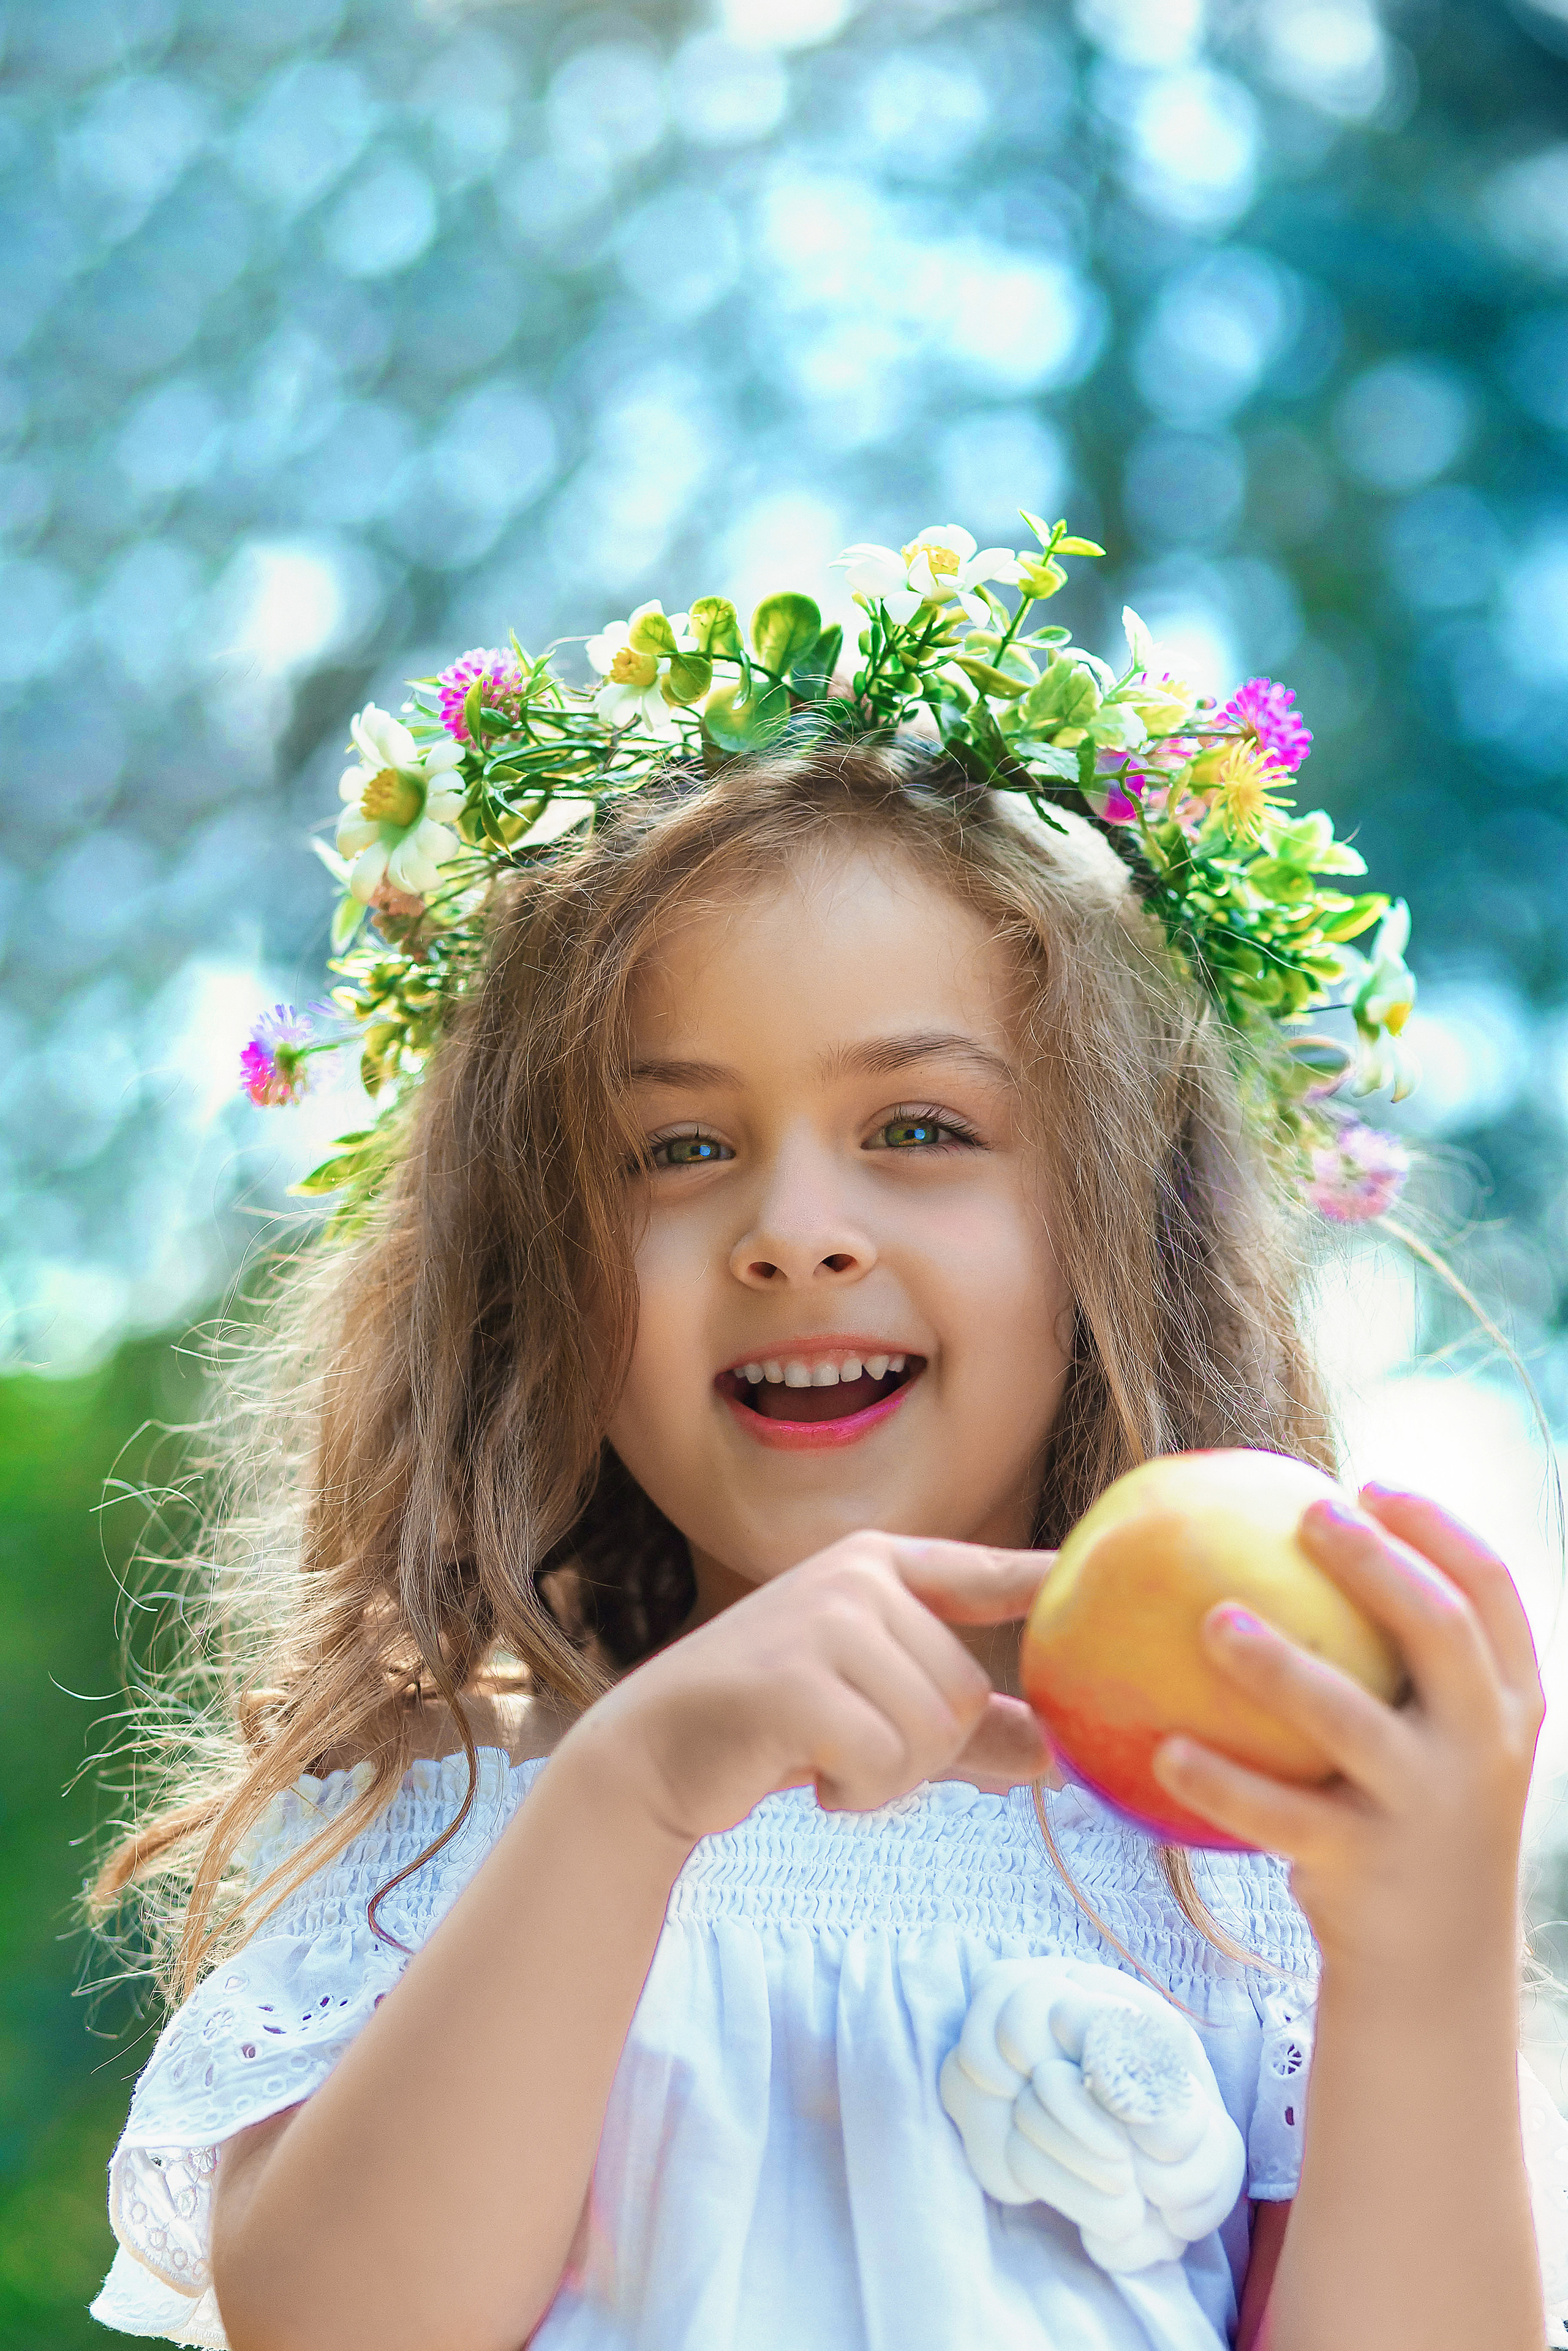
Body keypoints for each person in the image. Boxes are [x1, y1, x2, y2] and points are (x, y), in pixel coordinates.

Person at [89, 564, 1556, 2350]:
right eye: (680, 1147)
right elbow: (336, 2326)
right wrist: (628, 1797)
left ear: (1124, 1226)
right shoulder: (450, 1818)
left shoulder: (1234, 1867)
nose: (793, 1231)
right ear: (533, 1265)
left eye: (920, 1127)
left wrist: (1424, 1962)